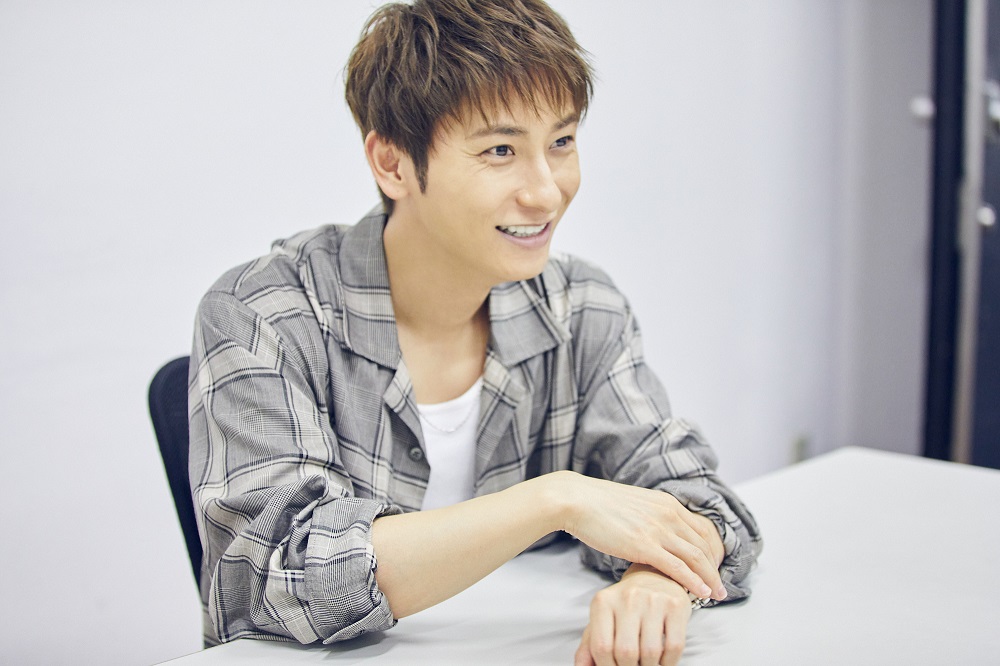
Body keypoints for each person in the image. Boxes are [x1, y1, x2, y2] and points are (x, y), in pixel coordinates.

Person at [188, 1, 762, 664]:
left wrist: (656, 579)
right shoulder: (264, 314)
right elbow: (280, 576)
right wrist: (554, 500)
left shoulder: (580, 306)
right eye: (500, 151)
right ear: (392, 162)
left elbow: (699, 498)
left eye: (562, 142)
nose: (546, 193)